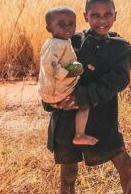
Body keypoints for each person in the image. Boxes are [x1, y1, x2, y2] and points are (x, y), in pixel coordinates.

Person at [43, 0, 131, 194]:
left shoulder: (121, 49)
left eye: (107, 14)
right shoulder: (69, 41)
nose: (102, 20)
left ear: (115, 16)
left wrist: (82, 97)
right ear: (85, 16)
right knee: (68, 175)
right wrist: (51, 103)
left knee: (125, 164)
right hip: (66, 119)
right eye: (95, 15)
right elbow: (48, 73)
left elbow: (117, 81)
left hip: (103, 118)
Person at [38, 7, 96, 146]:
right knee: (85, 104)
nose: (67, 28)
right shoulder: (56, 45)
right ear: (49, 28)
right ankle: (79, 135)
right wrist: (68, 73)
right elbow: (49, 65)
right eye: (61, 24)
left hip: (53, 89)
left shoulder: (60, 41)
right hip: (59, 91)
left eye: (71, 24)